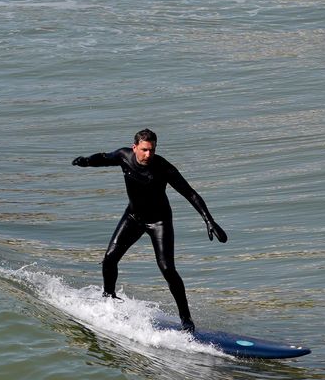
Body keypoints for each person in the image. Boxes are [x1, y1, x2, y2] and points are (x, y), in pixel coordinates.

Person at [71, 129, 225, 332]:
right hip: (133, 217)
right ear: (135, 147)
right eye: (144, 150)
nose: (148, 155)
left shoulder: (163, 168)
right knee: (109, 259)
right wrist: (86, 161)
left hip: (159, 222)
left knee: (168, 269)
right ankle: (108, 301)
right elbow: (104, 157)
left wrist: (209, 220)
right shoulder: (123, 156)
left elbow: (190, 193)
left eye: (152, 150)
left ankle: (186, 319)